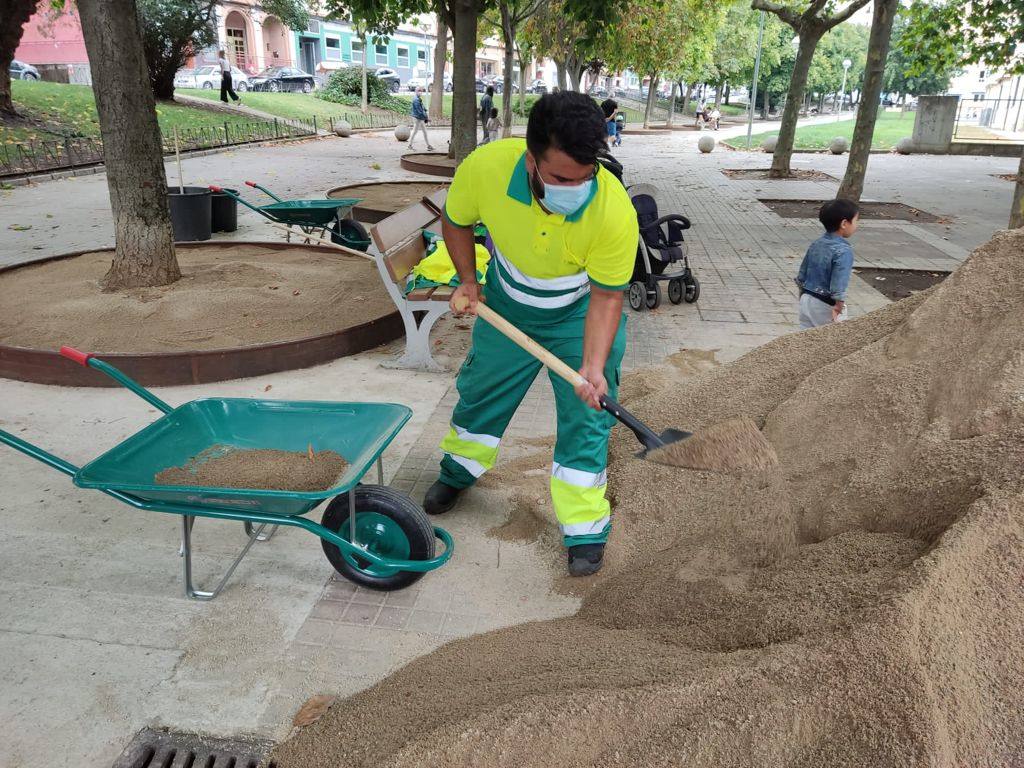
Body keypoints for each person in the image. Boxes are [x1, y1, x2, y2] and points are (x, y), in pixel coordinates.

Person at [423, 91, 638, 577]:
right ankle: (458, 471)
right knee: (481, 393)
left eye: (586, 178)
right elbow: (456, 222)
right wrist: (468, 279)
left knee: (588, 416)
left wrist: (593, 366)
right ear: (530, 159)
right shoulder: (486, 168)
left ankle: (584, 527)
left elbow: (607, 297)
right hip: (506, 305)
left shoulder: (613, 211)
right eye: (561, 178)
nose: (574, 189)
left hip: (577, 316)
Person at [795, 198, 859, 329]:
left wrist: (802, 293)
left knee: (804, 340)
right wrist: (839, 304)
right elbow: (839, 280)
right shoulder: (843, 251)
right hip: (826, 304)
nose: (857, 225)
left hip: (807, 299)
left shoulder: (816, 244)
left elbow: (803, 272)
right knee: (832, 343)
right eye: (856, 221)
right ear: (844, 223)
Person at [408, 87, 434, 151]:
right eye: (419, 91)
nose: (420, 92)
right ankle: (409, 145)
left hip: (419, 118)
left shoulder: (417, 99)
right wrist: (426, 118)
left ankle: (428, 145)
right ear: (416, 91)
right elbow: (420, 111)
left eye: (421, 91)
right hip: (418, 118)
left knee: (424, 131)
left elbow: (422, 108)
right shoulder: (416, 100)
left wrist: (425, 114)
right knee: (415, 131)